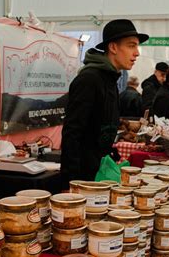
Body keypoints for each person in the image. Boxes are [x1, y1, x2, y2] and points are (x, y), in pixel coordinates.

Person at [61, 19, 148, 181]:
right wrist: (69, 181)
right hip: (84, 178)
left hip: (100, 173)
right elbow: (72, 133)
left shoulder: (111, 80)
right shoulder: (89, 79)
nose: (137, 52)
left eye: (137, 46)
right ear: (113, 47)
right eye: (131, 45)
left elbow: (100, 124)